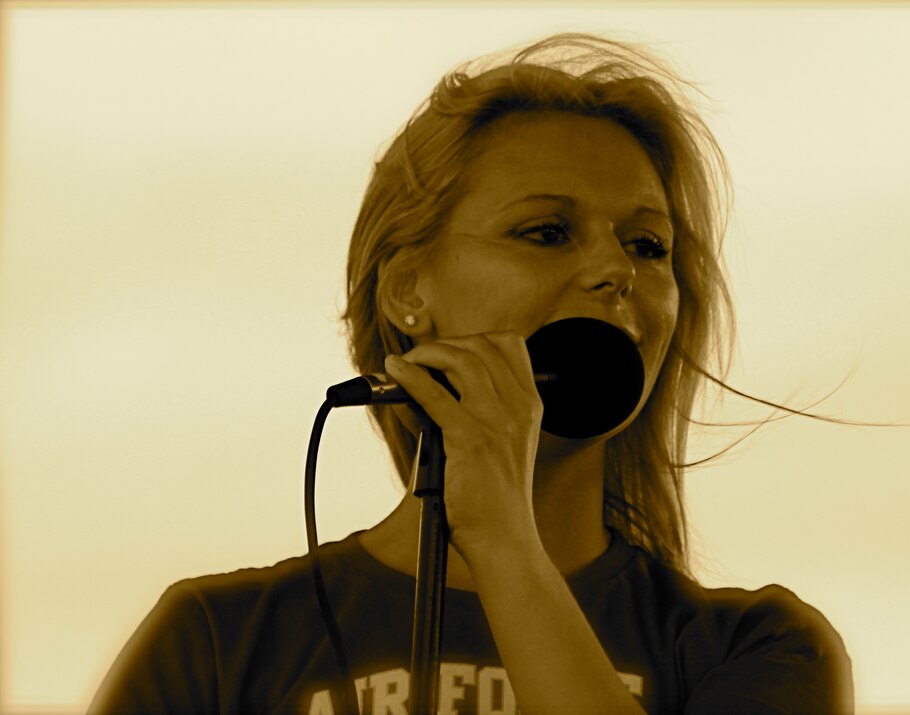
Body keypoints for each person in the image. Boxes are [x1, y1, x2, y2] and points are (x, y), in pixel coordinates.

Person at [90, 33, 853, 714]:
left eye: (648, 245)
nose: (614, 270)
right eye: (547, 232)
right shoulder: (218, 642)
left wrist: (504, 539)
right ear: (408, 293)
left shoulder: (760, 648)